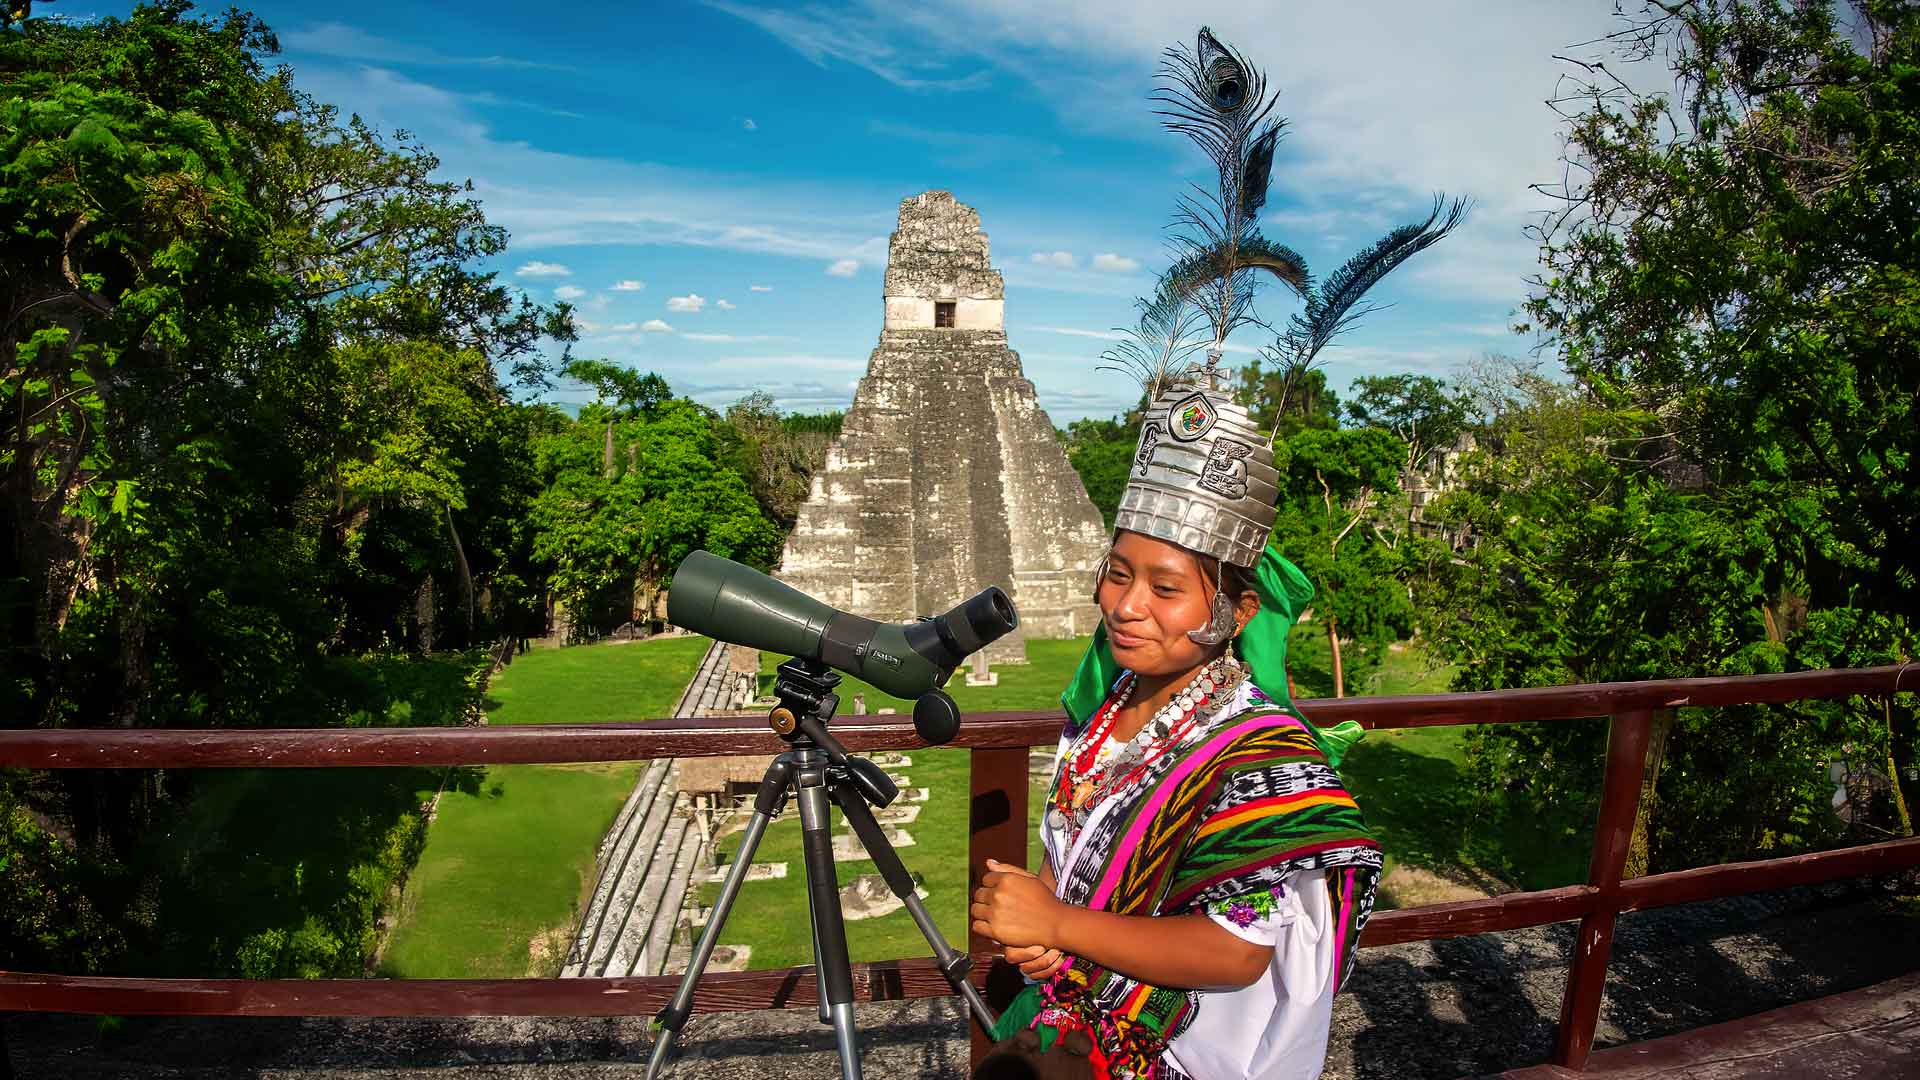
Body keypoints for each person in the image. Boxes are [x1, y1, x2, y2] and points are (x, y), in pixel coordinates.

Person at [969, 368, 1381, 1080]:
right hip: (1072, 1028)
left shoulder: (1258, 755)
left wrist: (1057, 924)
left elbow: (1236, 952)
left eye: (1166, 589)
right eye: (1117, 573)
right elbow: (1069, 859)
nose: (1127, 605)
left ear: (1237, 612)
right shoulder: (1105, 713)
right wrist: (1038, 930)